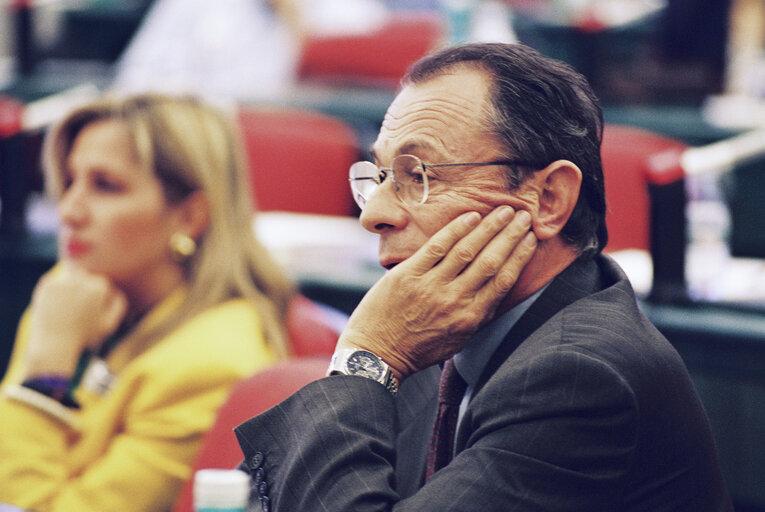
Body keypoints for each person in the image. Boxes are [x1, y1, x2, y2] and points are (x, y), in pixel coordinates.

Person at [233, 42, 733, 511]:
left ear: (549, 198)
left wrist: (367, 357)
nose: (373, 214)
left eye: (420, 175)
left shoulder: (581, 377)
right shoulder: (439, 326)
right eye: (379, 176)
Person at [0, 94, 294, 512]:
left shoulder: (211, 365)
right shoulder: (70, 292)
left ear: (189, 217)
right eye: (69, 181)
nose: (69, 210)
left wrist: (44, 378)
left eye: (105, 186)